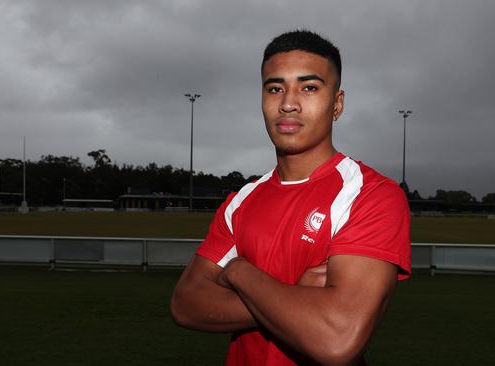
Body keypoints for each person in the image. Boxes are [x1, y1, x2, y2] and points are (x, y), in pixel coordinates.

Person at [171, 30, 411, 365]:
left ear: (337, 104)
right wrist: (296, 299)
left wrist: (239, 273)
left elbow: (336, 338)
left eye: (309, 87)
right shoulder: (242, 201)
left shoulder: (370, 195)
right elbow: (186, 303)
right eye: (275, 88)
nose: (288, 102)